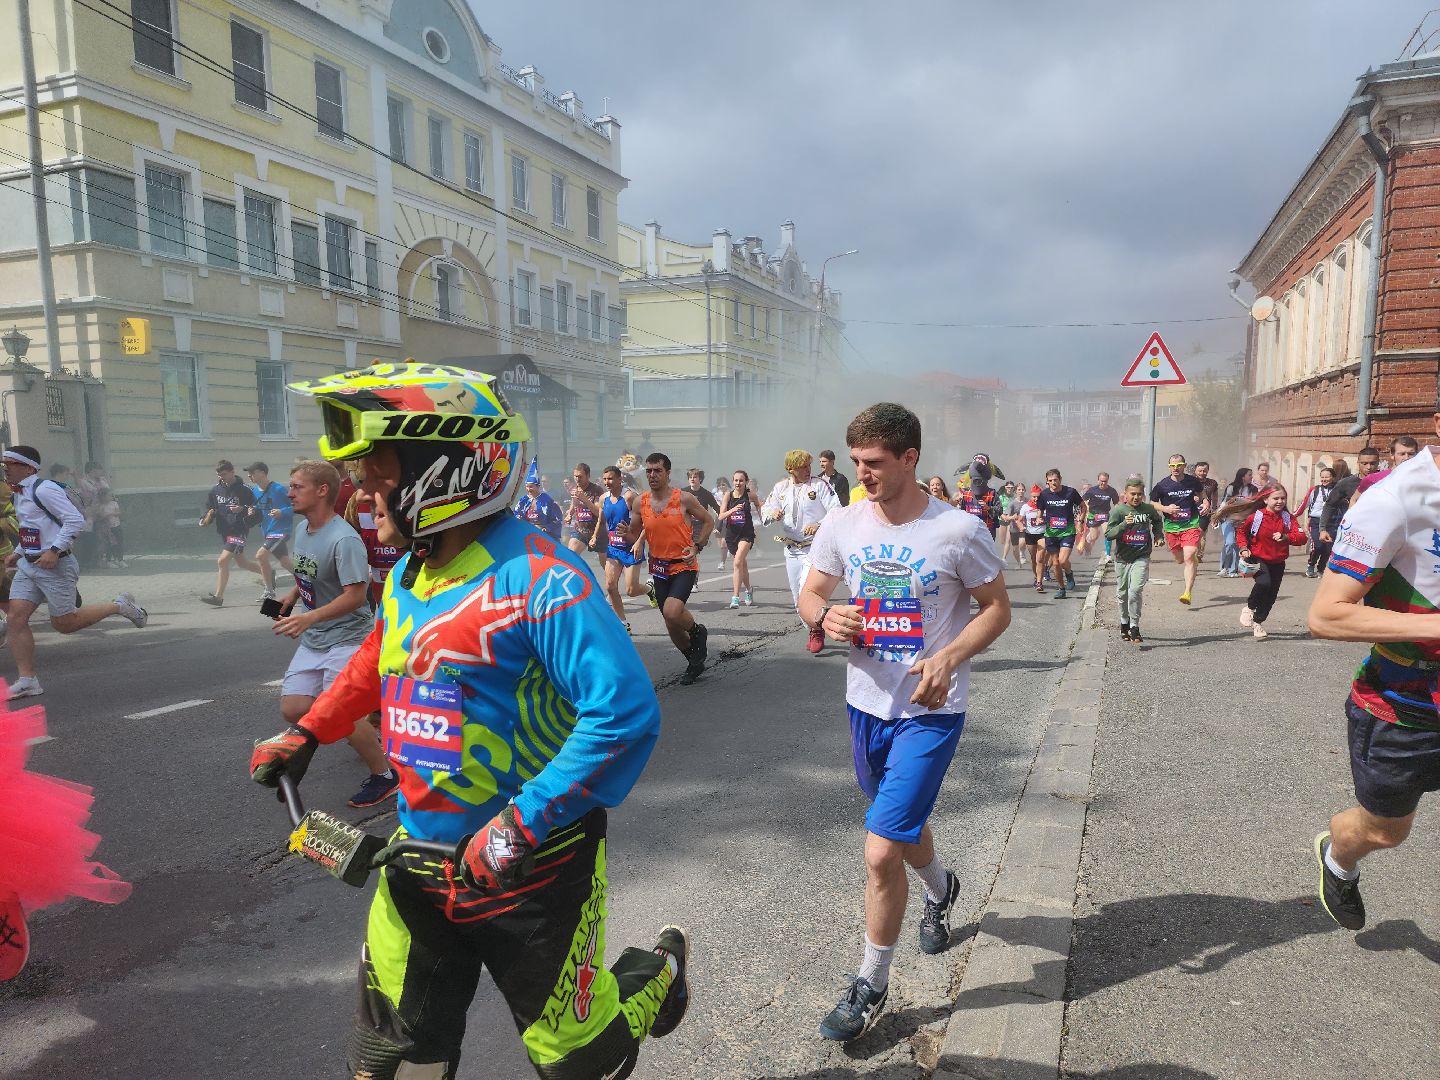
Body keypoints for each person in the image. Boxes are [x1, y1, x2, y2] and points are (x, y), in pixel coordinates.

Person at [249, 362, 688, 1077]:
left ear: (449, 465)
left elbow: (625, 714)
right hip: (417, 861)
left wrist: (522, 823)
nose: (362, 487)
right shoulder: (408, 574)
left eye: (378, 469)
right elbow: (380, 657)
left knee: (582, 1061)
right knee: (390, 1064)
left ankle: (657, 975)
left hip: (536, 870)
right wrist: (309, 730)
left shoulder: (545, 578)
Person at [799, 402, 1010, 1042]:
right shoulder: (842, 522)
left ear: (910, 458)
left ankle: (871, 983)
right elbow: (810, 591)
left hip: (929, 710)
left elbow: (997, 609)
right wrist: (823, 616)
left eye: (874, 463)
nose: (861, 474)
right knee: (902, 825)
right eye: (856, 462)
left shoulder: (958, 530)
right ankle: (942, 889)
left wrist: (949, 656)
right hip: (865, 704)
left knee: (881, 848)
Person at [1307, 416, 1440, 934]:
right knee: (1385, 831)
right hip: (1405, 705)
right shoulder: (1395, 499)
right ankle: (1338, 859)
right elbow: (1326, 615)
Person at [272, 460, 396, 808]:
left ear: (322, 490)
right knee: (294, 708)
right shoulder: (303, 531)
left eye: (297, 486)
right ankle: (361, 731)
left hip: (348, 638)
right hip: (316, 638)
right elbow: (307, 572)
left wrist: (308, 619)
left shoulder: (345, 539)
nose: (289, 492)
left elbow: (356, 596)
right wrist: (293, 595)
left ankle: (385, 776)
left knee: (340, 712)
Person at [1, 446, 147, 699]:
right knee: (15, 618)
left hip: (55, 566)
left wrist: (55, 550)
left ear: (28, 467)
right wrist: (20, 551)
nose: (5, 467)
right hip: (29, 566)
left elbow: (74, 520)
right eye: (3, 463)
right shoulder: (19, 492)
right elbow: (32, 528)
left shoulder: (43, 489)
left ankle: (119, 606)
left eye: (10, 463)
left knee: (65, 624)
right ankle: (28, 680)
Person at [627, 453, 714, 684]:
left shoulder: (683, 499)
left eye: (657, 470)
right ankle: (693, 661)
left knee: (672, 612)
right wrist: (628, 536)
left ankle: (697, 632)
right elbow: (635, 532)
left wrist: (697, 546)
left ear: (667, 473)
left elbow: (708, 521)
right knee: (671, 623)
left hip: (683, 565)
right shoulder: (640, 501)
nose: (652, 475)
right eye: (648, 471)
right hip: (659, 568)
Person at [762, 450, 841, 653]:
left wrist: (818, 524)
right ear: (791, 469)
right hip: (792, 549)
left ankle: (816, 630)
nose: (808, 470)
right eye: (803, 467)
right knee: (798, 597)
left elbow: (836, 509)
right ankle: (812, 627)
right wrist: (773, 513)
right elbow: (765, 510)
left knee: (809, 589)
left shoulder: (819, 485)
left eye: (809, 466)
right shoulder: (780, 488)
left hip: (815, 548)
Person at [1222, 485, 1307, 641]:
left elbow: (1302, 538)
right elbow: (1241, 532)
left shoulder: (1288, 518)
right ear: (1265, 499)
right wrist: (1243, 548)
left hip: (1279, 562)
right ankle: (1249, 607)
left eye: (1283, 498)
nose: (1280, 501)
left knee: (1271, 597)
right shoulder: (1256, 517)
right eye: (1276, 498)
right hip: (1258, 558)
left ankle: (1258, 622)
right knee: (1264, 583)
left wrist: (1286, 537)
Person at [1105, 476, 1164, 643]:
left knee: (1135, 591)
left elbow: (1157, 521)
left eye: (1139, 494)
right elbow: (1109, 534)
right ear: (1125, 494)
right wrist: (1124, 524)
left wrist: (1159, 536)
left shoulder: (1148, 509)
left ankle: (1135, 626)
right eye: (1132, 494)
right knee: (1122, 593)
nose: (1136, 497)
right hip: (1123, 558)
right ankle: (1124, 623)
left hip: (1141, 556)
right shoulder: (1119, 511)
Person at [1149, 454, 1208, 605]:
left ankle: (1187, 592)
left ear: (1184, 465)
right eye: (1173, 466)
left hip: (1191, 523)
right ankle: (1190, 561)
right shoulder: (1162, 485)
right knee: (1180, 559)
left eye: (1179, 465)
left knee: (1189, 555)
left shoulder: (1192, 481)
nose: (1176, 468)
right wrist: (1166, 508)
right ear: (1169, 467)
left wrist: (1206, 502)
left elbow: (1201, 493)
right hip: (1172, 526)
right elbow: (1153, 503)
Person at [200, 459, 260, 607]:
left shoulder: (245, 489)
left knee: (222, 560)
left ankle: (218, 597)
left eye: (224, 474)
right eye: (219, 474)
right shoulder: (216, 490)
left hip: (240, 530)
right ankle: (268, 573)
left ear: (233, 472)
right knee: (242, 562)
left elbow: (257, 509)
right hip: (225, 531)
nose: (221, 477)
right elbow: (211, 509)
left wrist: (243, 509)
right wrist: (204, 519)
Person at [596, 464, 647, 631]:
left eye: (610, 478)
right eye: (604, 479)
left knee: (631, 590)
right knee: (610, 586)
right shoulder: (603, 499)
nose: (607, 482)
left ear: (620, 479)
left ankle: (649, 589)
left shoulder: (630, 497)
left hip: (631, 548)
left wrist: (639, 541)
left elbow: (649, 521)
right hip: (613, 548)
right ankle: (623, 623)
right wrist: (595, 536)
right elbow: (601, 519)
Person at [245, 462, 296, 603]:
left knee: (260, 556)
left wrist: (282, 511)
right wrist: (252, 510)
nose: (249, 475)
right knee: (285, 563)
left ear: (262, 472)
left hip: (281, 531)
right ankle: (308, 583)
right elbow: (258, 508)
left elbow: (296, 506)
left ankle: (269, 591)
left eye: (252, 472)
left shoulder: (278, 489)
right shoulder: (254, 491)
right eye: (248, 473)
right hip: (268, 532)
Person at [1036, 469, 1084, 599]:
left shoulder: (1070, 492)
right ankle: (1061, 589)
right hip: (1051, 533)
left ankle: (1069, 574)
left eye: (1055, 480)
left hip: (1067, 531)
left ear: (1060, 479)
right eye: (1050, 481)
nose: (1053, 483)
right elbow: (1040, 510)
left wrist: (1080, 520)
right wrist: (1039, 518)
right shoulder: (1044, 494)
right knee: (1055, 563)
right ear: (1047, 481)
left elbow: (1082, 505)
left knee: (1062, 560)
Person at [1319, 447, 1379, 550]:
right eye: (1364, 463)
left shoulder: (1386, 481)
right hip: (1352, 532)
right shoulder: (1346, 483)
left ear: (1378, 463)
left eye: (1372, 463)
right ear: (1358, 463)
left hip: (1377, 532)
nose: (1369, 467)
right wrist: (1323, 529)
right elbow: (1330, 505)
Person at [719, 468, 761, 608]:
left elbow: (760, 508)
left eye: (741, 480)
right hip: (732, 535)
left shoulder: (751, 495)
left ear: (746, 482)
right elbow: (721, 516)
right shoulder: (728, 495)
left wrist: (765, 518)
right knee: (742, 565)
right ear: (733, 481)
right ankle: (749, 589)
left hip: (746, 534)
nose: (738, 483)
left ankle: (735, 597)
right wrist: (733, 510)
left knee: (737, 562)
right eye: (736, 480)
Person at [563, 462, 607, 574]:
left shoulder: (597, 490)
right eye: (575, 476)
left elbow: (598, 513)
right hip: (580, 531)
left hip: (597, 532)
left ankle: (612, 586)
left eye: (580, 476)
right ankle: (575, 584)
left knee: (606, 566)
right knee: (570, 558)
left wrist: (585, 500)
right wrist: (570, 514)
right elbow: (574, 504)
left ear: (588, 476)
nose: (577, 479)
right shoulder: (574, 489)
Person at [1351, 435, 1419, 504]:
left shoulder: (1423, 478)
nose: (1407, 457)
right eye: (1402, 454)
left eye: (1411, 454)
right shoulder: (1373, 479)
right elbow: (1354, 500)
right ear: (1392, 455)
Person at [1216, 467, 1257, 578]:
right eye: (1249, 475)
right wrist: (1216, 517)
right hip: (1228, 518)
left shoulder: (1253, 489)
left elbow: (1254, 505)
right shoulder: (1231, 487)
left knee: (1237, 544)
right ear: (1243, 476)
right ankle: (1224, 567)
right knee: (1229, 543)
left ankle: (1232, 570)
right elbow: (1224, 503)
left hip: (1243, 520)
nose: (1251, 477)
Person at [685, 469, 720, 592]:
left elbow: (718, 509)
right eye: (690, 477)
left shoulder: (706, 494)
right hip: (685, 526)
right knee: (683, 554)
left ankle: (694, 583)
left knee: (693, 554)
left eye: (695, 477)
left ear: (700, 479)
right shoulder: (682, 492)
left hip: (700, 527)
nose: (692, 479)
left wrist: (718, 526)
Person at [1300, 467, 1336, 579]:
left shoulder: (1337, 490)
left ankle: (1321, 568)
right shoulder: (1315, 490)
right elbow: (1304, 504)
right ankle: (1311, 565)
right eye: (1322, 477)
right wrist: (1292, 516)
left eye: (1327, 477)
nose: (1324, 479)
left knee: (1327, 548)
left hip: (1331, 522)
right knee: (1317, 546)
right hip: (1315, 522)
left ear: (1333, 477)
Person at [514, 459, 563, 541]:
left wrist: (547, 528)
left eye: (531, 486)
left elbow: (558, 518)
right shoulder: (524, 500)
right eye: (527, 486)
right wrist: (518, 517)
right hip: (528, 534)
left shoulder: (547, 500)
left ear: (538, 486)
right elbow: (516, 513)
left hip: (545, 535)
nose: (528, 489)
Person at [955, 454, 1001, 539]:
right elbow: (962, 511)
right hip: (970, 531)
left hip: (987, 531)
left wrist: (989, 508)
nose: (977, 484)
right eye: (975, 481)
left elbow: (999, 511)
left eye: (979, 481)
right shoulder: (966, 493)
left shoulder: (992, 494)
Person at [1079, 472, 1120, 561]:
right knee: (1094, 537)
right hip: (1093, 515)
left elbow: (1116, 503)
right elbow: (1082, 501)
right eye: (1101, 481)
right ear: (1098, 480)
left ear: (1108, 481)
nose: (1103, 483)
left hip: (1105, 514)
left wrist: (1118, 512)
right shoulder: (1092, 490)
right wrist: (1086, 509)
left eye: (1105, 481)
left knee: (1108, 533)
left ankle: (1108, 555)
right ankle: (1088, 540)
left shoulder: (1112, 491)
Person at [1019, 484, 1046, 591]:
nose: (1036, 499)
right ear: (1031, 496)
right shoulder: (1025, 507)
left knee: (1040, 559)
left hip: (1042, 534)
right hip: (1030, 535)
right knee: (1034, 559)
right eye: (1034, 497)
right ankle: (1036, 577)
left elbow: (1052, 518)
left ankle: (1039, 582)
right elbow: (1019, 520)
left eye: (1038, 497)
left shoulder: (1045, 506)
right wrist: (1021, 527)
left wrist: (1044, 520)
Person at [1192, 462, 1219, 563]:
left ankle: (1198, 554)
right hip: (1190, 511)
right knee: (1193, 534)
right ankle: (1193, 555)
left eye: (1204, 471)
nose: (1202, 473)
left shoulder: (1212, 483)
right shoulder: (1190, 481)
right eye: (1200, 471)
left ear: (1208, 471)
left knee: (1200, 534)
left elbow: (1215, 496)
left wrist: (1215, 508)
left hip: (1205, 512)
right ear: (1195, 471)